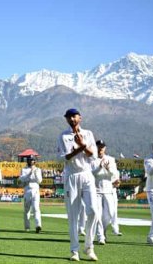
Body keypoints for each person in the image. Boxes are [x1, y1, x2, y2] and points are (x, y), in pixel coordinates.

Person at [57, 108, 99, 261]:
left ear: (80, 117)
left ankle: (89, 247)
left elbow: (93, 155)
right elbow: (64, 157)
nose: (72, 119)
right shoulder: (63, 136)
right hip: (71, 176)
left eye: (74, 116)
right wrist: (80, 148)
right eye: (69, 117)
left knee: (93, 211)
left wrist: (83, 146)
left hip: (87, 174)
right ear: (66, 120)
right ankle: (75, 251)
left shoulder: (88, 134)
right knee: (73, 216)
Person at [91, 140, 120, 245]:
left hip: (108, 190)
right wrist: (99, 167)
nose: (100, 149)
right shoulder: (91, 159)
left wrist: (108, 169)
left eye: (102, 147)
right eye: (99, 146)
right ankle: (100, 237)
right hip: (96, 190)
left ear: (105, 148)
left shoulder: (111, 159)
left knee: (109, 214)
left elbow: (114, 175)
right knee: (97, 214)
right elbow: (91, 174)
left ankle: (103, 231)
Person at [19, 155, 43, 233]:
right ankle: (27, 226)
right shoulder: (24, 169)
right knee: (27, 210)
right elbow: (22, 179)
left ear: (34, 161)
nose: (31, 161)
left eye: (32, 160)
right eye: (29, 160)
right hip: (27, 190)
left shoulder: (38, 169)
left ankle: (38, 225)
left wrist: (35, 173)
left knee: (36, 208)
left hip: (35, 190)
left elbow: (39, 180)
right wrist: (30, 173)